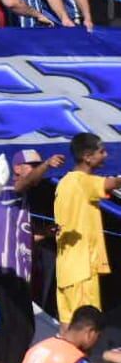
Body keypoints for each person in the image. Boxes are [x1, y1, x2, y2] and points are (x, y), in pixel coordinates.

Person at [0, 149, 63, 363]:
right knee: (20, 327)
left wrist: (46, 234)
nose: (35, 169)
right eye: (31, 165)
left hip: (16, 273)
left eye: (38, 164)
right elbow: (26, 182)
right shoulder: (9, 189)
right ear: (18, 169)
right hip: (5, 269)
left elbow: (24, 236)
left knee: (15, 326)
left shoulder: (22, 202)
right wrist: (48, 165)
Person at [54, 133, 121, 325]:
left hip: (67, 269)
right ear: (87, 156)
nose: (106, 155)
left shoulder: (64, 182)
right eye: (102, 151)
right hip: (82, 269)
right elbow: (111, 183)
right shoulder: (81, 181)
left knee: (68, 327)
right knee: (86, 329)